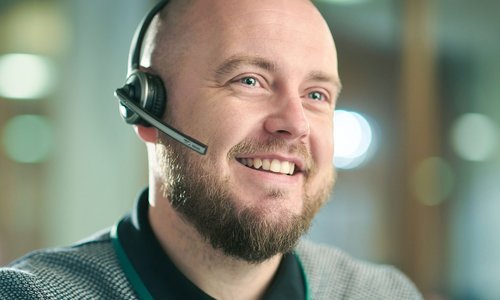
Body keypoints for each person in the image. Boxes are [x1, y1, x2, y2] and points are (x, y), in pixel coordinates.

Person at [0, 0, 422, 299]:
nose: (295, 124)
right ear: (148, 111)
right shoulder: (33, 295)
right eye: (249, 80)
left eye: (316, 94)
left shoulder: (382, 293)